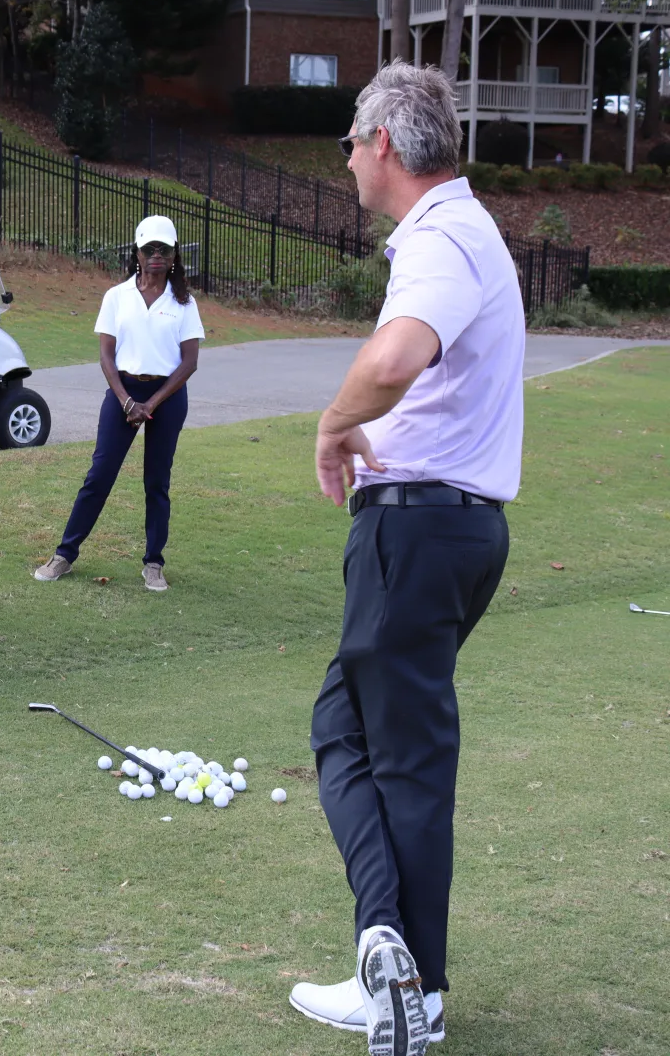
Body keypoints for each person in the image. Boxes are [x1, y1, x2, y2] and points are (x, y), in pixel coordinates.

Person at [289, 62, 523, 1055]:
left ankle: (408, 984)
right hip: (446, 528)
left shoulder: (441, 237)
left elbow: (393, 359)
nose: (345, 157)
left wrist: (332, 424)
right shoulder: (462, 233)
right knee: (348, 729)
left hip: (418, 528)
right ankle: (391, 955)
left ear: (382, 142)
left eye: (349, 140)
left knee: (401, 760)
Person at [32, 214, 201, 591]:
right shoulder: (117, 297)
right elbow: (106, 357)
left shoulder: (184, 302)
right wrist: (127, 403)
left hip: (168, 397)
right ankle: (64, 555)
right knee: (99, 476)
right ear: (137, 254)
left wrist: (152, 403)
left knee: (157, 481)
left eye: (164, 249)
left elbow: (189, 362)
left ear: (174, 256)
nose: (156, 255)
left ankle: (153, 562)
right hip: (123, 392)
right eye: (149, 249)